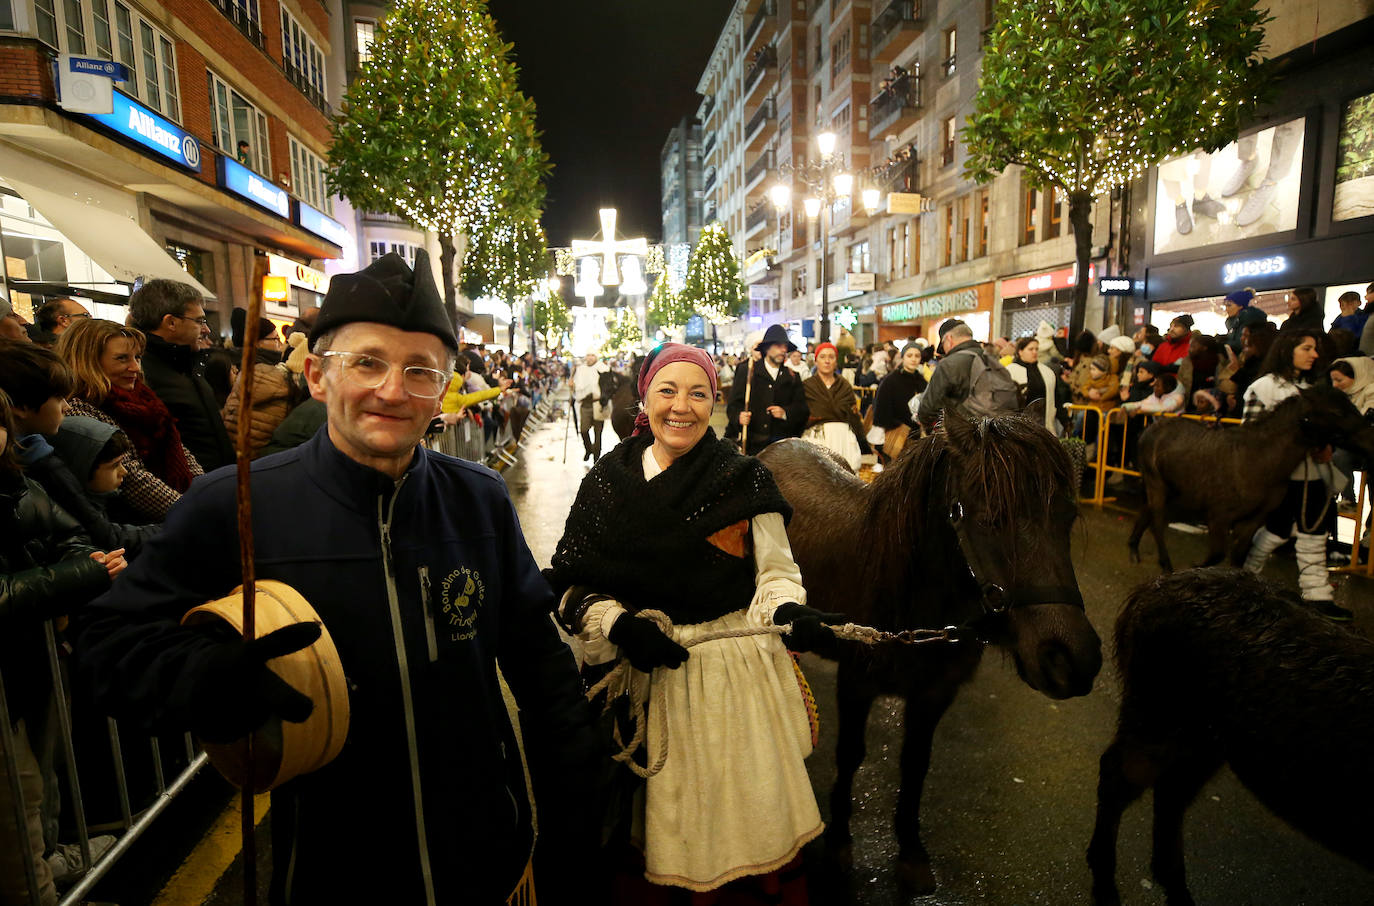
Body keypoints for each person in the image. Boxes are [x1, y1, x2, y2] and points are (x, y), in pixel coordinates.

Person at [74, 251, 599, 905]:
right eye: (368, 363)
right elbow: (106, 644)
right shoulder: (234, 502)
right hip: (334, 869)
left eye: (420, 371)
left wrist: (576, 805)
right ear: (319, 376)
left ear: (443, 389)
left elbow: (539, 661)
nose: (392, 389)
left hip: (485, 853)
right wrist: (199, 675)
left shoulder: (479, 499)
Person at [547, 343, 830, 899]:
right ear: (644, 398)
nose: (682, 406)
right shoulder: (606, 481)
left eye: (698, 393)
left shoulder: (744, 480)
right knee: (646, 831)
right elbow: (568, 583)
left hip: (731, 681)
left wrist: (788, 612)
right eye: (668, 391)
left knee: (741, 820)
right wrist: (617, 623)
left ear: (715, 402)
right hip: (639, 681)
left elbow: (774, 575)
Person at [0, 387, 123, 906]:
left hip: (29, 654)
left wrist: (76, 568)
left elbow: (73, 536)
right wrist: (77, 577)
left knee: (40, 779)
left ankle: (46, 862)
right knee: (17, 798)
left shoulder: (18, 482)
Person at [1241, 329, 1350, 621]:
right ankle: (1247, 580)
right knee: (1279, 529)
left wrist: (1326, 446)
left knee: (1313, 532)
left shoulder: (1313, 387)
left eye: (1314, 349)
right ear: (1287, 349)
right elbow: (1251, 436)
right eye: (1306, 348)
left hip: (1313, 476)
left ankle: (1317, 594)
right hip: (1280, 477)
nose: (1314, 354)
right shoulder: (1263, 387)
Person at [55, 319, 201, 523]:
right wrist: (192, 511)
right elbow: (131, 478)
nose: (135, 367)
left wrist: (203, 489)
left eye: (138, 357)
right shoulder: (77, 409)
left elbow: (176, 447)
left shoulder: (144, 398)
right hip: (128, 525)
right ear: (88, 361)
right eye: (122, 359)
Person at [128, 280, 234, 472]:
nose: (207, 330)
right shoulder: (141, 375)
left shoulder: (186, 364)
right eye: (200, 321)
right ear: (171, 322)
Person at [726, 324, 809, 456]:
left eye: (785, 347)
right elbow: (733, 405)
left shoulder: (792, 376)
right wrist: (739, 417)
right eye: (778, 346)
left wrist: (784, 413)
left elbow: (802, 409)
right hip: (753, 446)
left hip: (782, 448)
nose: (783, 350)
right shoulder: (748, 372)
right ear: (766, 348)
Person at [800, 341, 866, 469]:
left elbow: (853, 415)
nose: (827, 361)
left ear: (836, 361)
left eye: (831, 357)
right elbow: (801, 415)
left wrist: (863, 442)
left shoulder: (845, 385)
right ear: (816, 361)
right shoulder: (807, 386)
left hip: (843, 439)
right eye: (823, 357)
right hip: (816, 438)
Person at [872, 341, 926, 461]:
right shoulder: (890, 380)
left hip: (916, 437)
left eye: (917, 356)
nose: (913, 359)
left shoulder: (922, 381)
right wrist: (897, 424)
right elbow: (880, 409)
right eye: (909, 355)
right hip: (894, 435)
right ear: (903, 357)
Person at [1005, 337, 1068, 435]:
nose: (1034, 352)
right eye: (1030, 349)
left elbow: (1056, 398)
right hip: (1018, 426)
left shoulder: (1047, 372)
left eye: (1036, 349)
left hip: (1043, 425)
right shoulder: (1010, 371)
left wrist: (1065, 420)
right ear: (1020, 351)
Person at [572, 352, 608, 462]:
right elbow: (577, 384)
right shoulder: (581, 369)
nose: (590, 357)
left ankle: (596, 460)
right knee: (583, 430)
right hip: (586, 403)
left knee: (598, 434)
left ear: (596, 356)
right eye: (588, 355)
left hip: (598, 403)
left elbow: (608, 385)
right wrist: (572, 386)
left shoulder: (603, 368)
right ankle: (588, 449)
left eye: (593, 355)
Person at [1221, 287, 1267, 354]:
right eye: (1225, 306)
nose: (1226, 309)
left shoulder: (1249, 318)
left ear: (1240, 306)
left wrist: (1224, 344)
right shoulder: (1233, 321)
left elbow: (1240, 344)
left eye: (1229, 305)